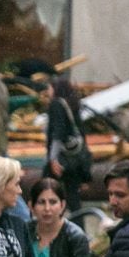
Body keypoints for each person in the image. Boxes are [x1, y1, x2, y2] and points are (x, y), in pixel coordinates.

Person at [42, 75, 89, 215]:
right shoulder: (72, 103)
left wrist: (53, 159)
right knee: (73, 196)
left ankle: (50, 224)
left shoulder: (56, 104)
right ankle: (79, 227)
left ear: (55, 89)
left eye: (49, 88)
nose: (48, 91)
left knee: (45, 191)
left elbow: (58, 133)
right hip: (73, 158)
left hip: (60, 157)